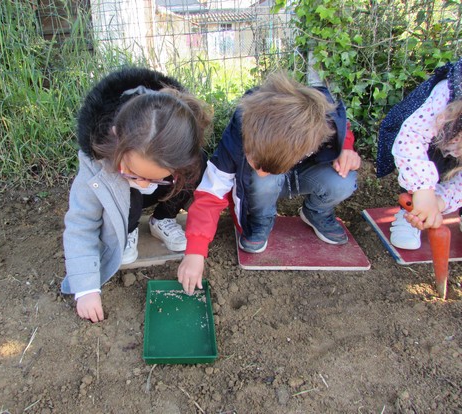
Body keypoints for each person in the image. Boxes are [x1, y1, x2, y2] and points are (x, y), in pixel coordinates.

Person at [177, 71, 360, 294]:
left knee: (344, 180)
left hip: (302, 173)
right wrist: (195, 252)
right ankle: (260, 220)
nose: (261, 171)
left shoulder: (321, 117)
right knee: (264, 181)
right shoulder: (239, 132)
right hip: (263, 188)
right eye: (256, 162)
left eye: (266, 166)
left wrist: (346, 148)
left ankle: (316, 212)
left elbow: (342, 125)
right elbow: (211, 193)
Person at [62, 67, 212, 322]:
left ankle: (162, 219)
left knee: (198, 170)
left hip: (163, 190)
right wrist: (86, 288)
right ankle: (127, 228)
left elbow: (208, 196)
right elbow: (81, 224)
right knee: (127, 196)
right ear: (116, 137)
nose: (143, 183)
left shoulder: (179, 152)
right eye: (133, 172)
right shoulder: (97, 163)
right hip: (124, 200)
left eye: (153, 177)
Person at [387, 59, 462, 250]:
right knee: (428, 163)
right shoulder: (448, 93)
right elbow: (411, 138)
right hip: (432, 140)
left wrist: (440, 200)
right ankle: (411, 211)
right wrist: (423, 192)